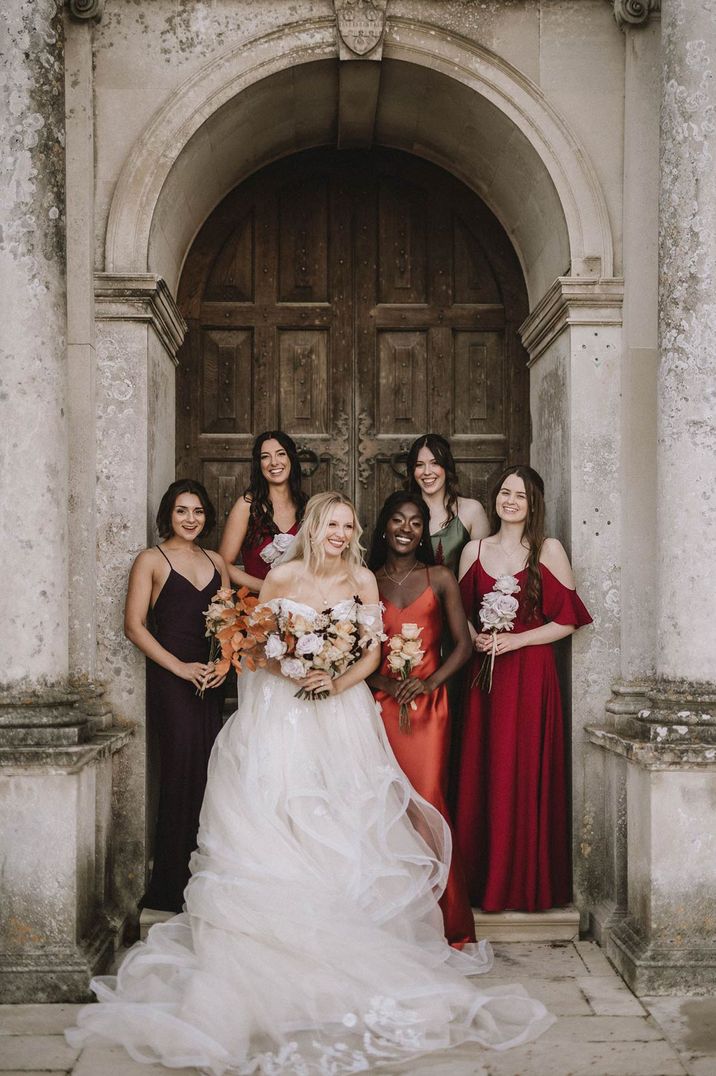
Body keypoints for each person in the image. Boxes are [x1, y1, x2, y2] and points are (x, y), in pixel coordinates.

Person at [68, 492, 553, 1074]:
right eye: (334, 524)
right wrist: (293, 667)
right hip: (283, 715)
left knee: (344, 819)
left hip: (340, 713)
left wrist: (337, 681)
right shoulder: (284, 573)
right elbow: (255, 644)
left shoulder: (362, 582)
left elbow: (373, 655)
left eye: (350, 526)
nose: (342, 534)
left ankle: (347, 937)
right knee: (282, 819)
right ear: (317, 525)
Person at [455, 465, 592, 913]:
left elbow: (568, 620)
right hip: (485, 678)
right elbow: (459, 612)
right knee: (488, 768)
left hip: (532, 676)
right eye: (505, 493)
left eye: (520, 495)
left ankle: (526, 885)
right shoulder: (473, 550)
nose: (510, 501)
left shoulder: (547, 549)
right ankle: (482, 884)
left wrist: (517, 639)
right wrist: (476, 633)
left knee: (524, 769)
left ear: (533, 504)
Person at [368, 491, 476, 948]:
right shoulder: (366, 582)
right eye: (398, 520)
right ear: (384, 527)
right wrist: (385, 683)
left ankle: (446, 919)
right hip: (378, 705)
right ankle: (395, 917)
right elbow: (357, 651)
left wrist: (430, 684)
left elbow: (463, 646)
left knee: (428, 800)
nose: (407, 529)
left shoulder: (441, 577)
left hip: (430, 708)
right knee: (384, 804)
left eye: (415, 522)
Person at [124, 479, 229, 913]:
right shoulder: (151, 559)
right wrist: (180, 667)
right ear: (169, 513)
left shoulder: (217, 560)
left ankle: (204, 878)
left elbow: (228, 624)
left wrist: (223, 662)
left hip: (211, 681)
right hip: (172, 678)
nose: (190, 519)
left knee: (210, 773)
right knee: (180, 772)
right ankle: (170, 885)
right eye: (182, 510)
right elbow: (133, 626)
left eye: (198, 511)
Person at [218, 429, 307, 593]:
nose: (274, 462)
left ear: (291, 459)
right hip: (258, 607)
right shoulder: (247, 506)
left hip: (301, 606)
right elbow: (222, 563)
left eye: (281, 454)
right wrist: (267, 588)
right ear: (258, 464)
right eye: (265, 456)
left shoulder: (307, 506)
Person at [407, 433, 489, 575]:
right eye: (419, 465)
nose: (427, 472)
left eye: (435, 463)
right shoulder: (403, 511)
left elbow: (484, 570)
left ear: (446, 466)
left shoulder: (472, 511)